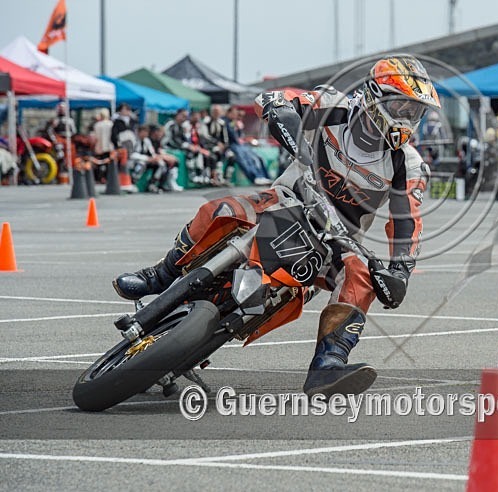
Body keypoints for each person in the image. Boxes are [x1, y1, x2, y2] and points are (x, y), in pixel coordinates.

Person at [113, 55, 439, 397]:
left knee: (361, 275)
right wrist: (281, 112)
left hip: (335, 239)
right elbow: (275, 98)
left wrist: (400, 272)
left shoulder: (407, 163)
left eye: (415, 112)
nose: (408, 119)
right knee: (219, 209)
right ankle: (160, 275)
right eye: (402, 107)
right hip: (285, 199)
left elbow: (408, 221)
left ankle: (328, 366)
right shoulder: (333, 106)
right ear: (375, 95)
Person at [224, 106, 271, 185]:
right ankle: (255, 177)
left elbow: (240, 137)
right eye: (235, 114)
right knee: (245, 160)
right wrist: (235, 127)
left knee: (257, 158)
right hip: (233, 145)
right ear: (229, 113)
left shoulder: (236, 123)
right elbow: (231, 136)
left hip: (242, 145)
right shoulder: (225, 122)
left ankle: (264, 177)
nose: (237, 116)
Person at [162, 109, 206, 184]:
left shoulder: (182, 126)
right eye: (183, 116)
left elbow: (184, 139)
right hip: (167, 146)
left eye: (186, 116)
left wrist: (190, 145)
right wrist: (187, 146)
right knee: (189, 151)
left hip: (178, 146)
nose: (184, 118)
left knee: (197, 151)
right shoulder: (171, 124)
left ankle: (199, 174)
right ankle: (191, 175)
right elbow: (172, 140)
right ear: (177, 115)